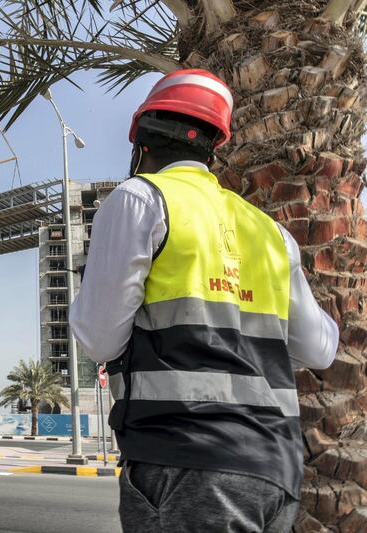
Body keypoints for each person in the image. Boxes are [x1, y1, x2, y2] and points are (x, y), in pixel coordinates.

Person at [70, 69, 338, 532]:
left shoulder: (140, 199)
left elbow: (99, 338)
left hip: (186, 459)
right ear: (214, 147)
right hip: (276, 470)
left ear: (142, 142)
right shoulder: (270, 232)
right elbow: (320, 350)